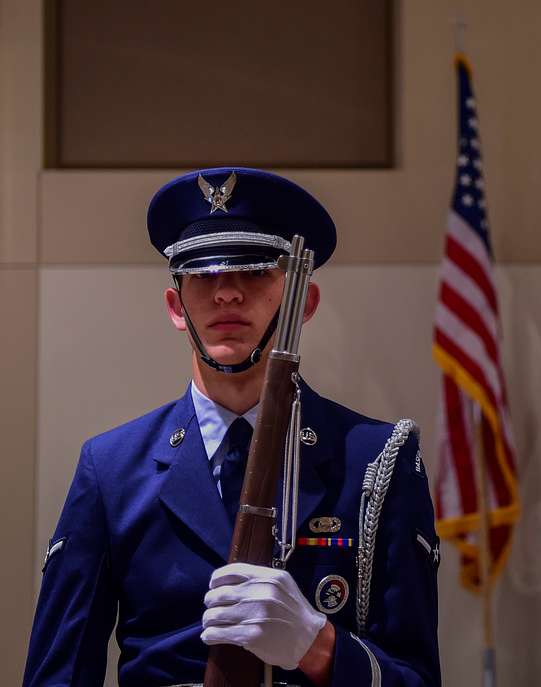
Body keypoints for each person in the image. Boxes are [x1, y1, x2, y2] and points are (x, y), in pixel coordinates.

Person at [23, 168, 441, 687]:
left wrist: (319, 647)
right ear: (177, 307)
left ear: (302, 303)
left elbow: (418, 675)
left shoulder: (377, 461)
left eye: (255, 272)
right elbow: (58, 675)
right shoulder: (111, 469)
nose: (226, 294)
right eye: (202, 275)